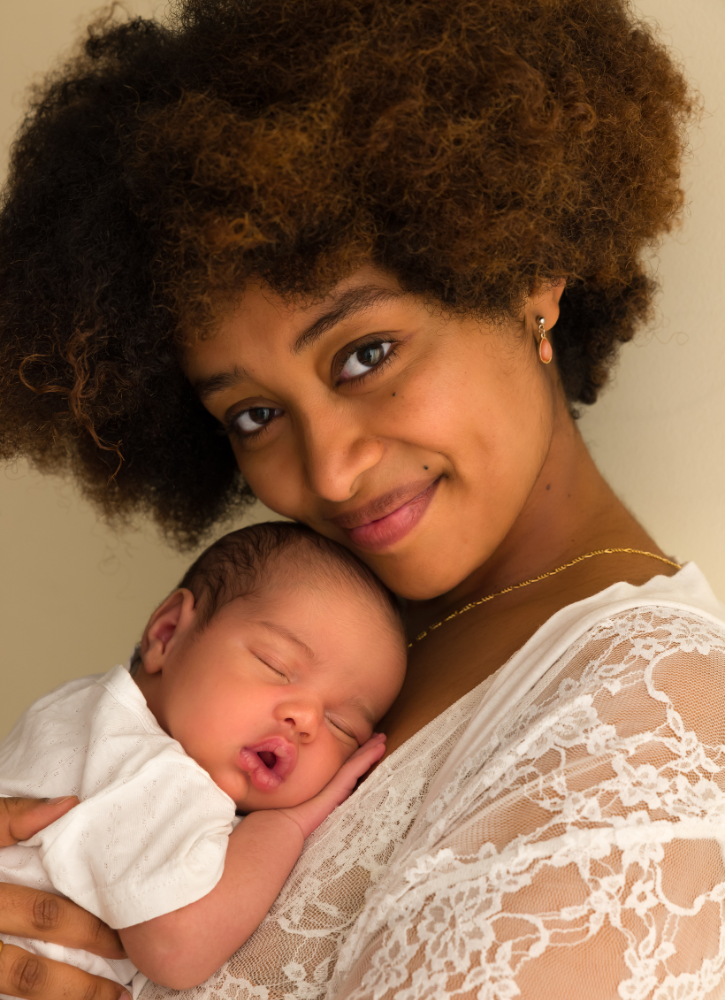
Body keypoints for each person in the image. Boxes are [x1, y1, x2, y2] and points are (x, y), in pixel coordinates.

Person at [1, 0, 724, 998]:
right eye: (254, 415)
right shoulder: (269, 645)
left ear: (529, 277)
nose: (332, 472)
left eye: (365, 354)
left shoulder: (647, 721)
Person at [0, 522, 406, 999]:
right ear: (168, 633)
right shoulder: (157, 771)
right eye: (276, 665)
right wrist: (285, 827)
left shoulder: (84, 709)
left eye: (342, 727)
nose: (307, 720)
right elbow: (176, 948)